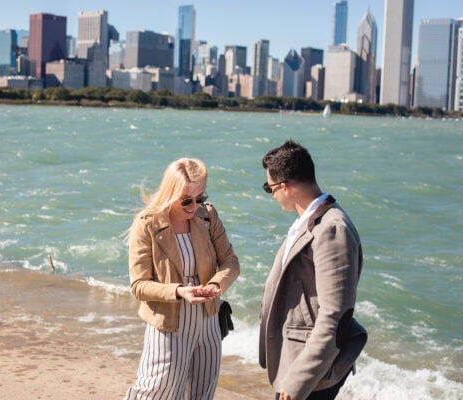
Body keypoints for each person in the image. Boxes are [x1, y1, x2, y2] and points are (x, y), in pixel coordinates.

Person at [258, 140, 367, 400]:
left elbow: (334, 315)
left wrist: (298, 382)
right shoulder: (308, 221)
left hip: (310, 371)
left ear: (285, 187)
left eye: (269, 188)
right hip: (293, 360)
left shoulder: (331, 228)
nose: (271, 195)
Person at [124, 157, 240, 400]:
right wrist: (179, 291)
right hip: (169, 324)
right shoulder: (147, 224)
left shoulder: (207, 216)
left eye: (201, 198)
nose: (194, 205)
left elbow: (230, 262)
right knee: (155, 393)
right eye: (186, 200)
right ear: (170, 192)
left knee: (202, 394)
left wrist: (216, 285)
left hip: (208, 321)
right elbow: (138, 285)